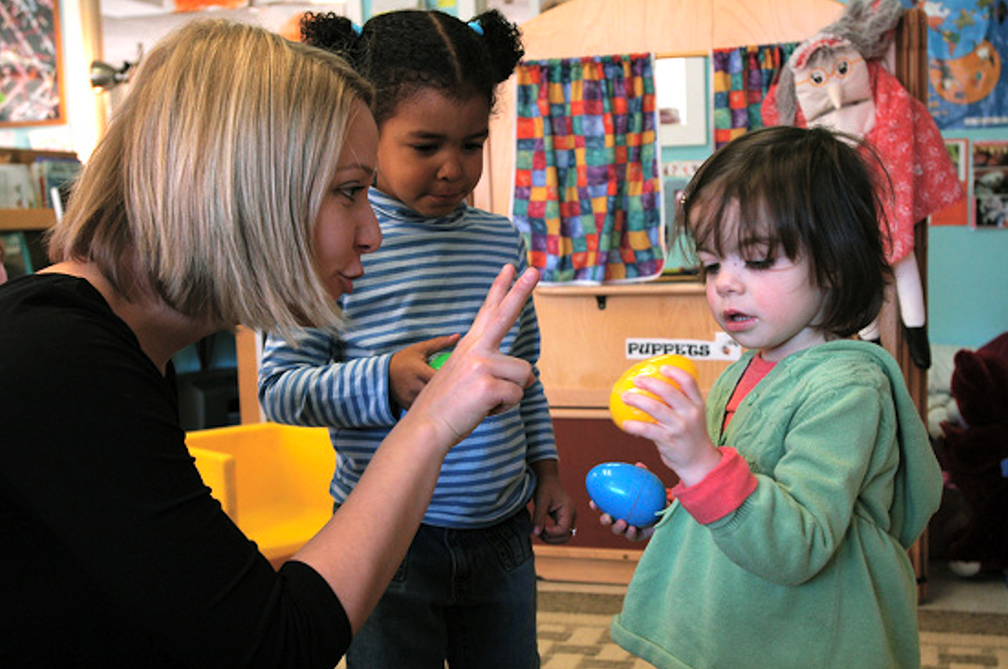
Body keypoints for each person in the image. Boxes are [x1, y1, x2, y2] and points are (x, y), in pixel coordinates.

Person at [0, 19, 541, 668]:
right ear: (242, 186)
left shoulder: (113, 350)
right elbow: (272, 645)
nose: (371, 232)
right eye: (349, 191)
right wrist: (431, 420)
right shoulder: (57, 361)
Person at [258, 9, 574, 668]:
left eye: (470, 144)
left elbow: (525, 373)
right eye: (425, 145)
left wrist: (546, 470)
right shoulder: (331, 238)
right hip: (386, 542)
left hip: (503, 533)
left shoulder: (499, 239)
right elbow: (280, 392)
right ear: (366, 131)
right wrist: (386, 379)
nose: (453, 169)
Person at [600, 126, 943, 668]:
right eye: (712, 264)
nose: (725, 284)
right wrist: (670, 510)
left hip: (807, 642)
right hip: (738, 629)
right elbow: (744, 496)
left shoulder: (847, 388)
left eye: (756, 260)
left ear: (833, 265)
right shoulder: (744, 372)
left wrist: (698, 461)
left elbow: (799, 542)